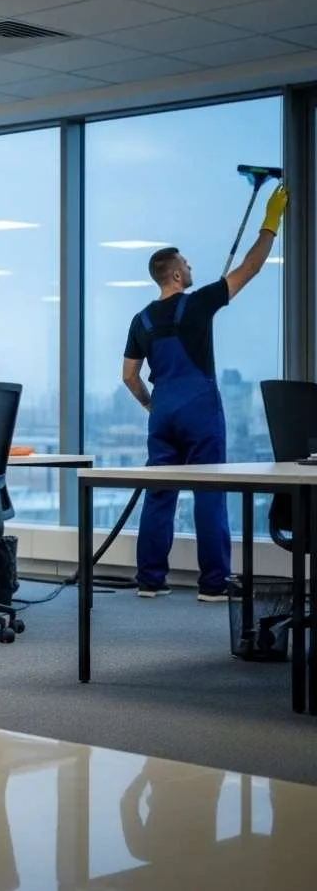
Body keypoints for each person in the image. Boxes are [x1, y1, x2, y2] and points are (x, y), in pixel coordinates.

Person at [122, 182, 288, 602]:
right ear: (176, 273)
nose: (192, 267)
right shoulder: (197, 304)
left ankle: (150, 581)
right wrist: (271, 222)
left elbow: (128, 375)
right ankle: (213, 585)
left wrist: (150, 404)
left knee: (160, 495)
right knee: (208, 492)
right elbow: (249, 268)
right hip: (198, 409)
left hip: (163, 411)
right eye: (187, 264)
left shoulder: (140, 320)